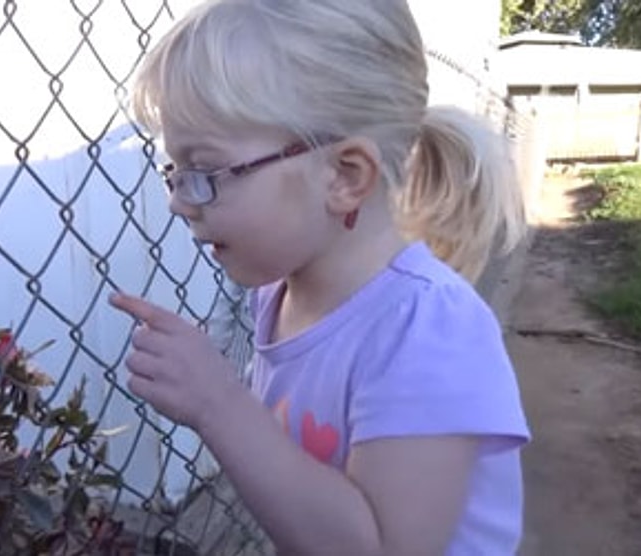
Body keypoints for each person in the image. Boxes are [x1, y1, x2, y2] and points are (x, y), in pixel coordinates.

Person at [108, 0, 531, 553]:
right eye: (175, 172)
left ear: (344, 176)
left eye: (205, 171)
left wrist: (218, 403)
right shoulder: (276, 295)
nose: (179, 202)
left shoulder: (426, 328)